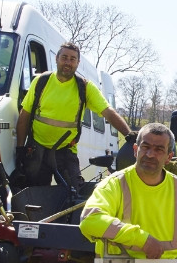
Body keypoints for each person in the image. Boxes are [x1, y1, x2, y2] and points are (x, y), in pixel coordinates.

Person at [14, 42, 133, 189]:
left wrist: (129, 134)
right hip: (37, 149)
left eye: (72, 59)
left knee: (75, 192)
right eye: (64, 57)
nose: (68, 62)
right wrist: (20, 149)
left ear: (78, 63)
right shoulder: (41, 82)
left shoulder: (85, 87)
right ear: (57, 58)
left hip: (65, 151)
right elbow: (24, 116)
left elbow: (108, 112)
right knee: (34, 194)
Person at [80, 123, 177, 259]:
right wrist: (142, 240)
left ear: (169, 157)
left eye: (159, 150)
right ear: (136, 150)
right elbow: (90, 220)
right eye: (145, 147)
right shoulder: (115, 184)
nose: (150, 154)